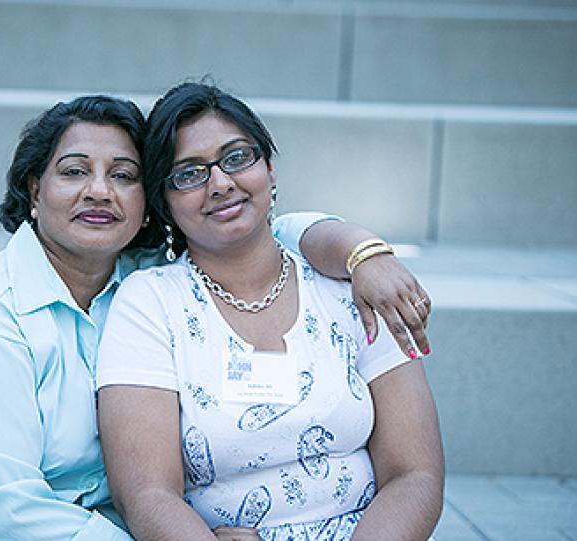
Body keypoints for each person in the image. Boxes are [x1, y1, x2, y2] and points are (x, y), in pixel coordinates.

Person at [0, 94, 432, 540]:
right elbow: (1, 513)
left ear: (148, 201)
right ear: (33, 190)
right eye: (73, 172)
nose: (99, 190)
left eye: (122, 174)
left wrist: (361, 251)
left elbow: (256, 230)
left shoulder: (135, 274)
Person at [96, 83, 443, 541]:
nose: (220, 183)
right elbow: (147, 495)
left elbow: (415, 473)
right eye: (188, 174)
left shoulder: (347, 287)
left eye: (237, 157)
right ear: (164, 202)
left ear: (270, 169)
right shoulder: (149, 304)